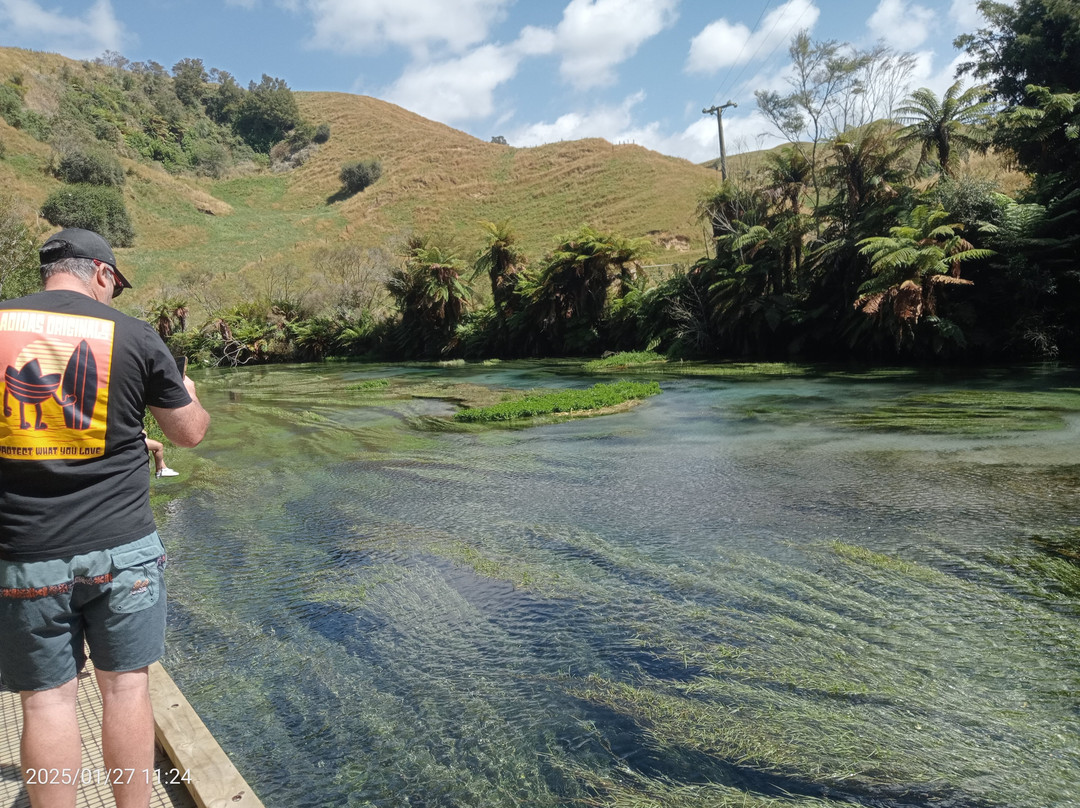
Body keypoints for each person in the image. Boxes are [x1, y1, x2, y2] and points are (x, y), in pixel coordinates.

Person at [0, 228, 210, 808]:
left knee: (45, 700)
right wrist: (187, 390)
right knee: (125, 690)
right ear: (101, 273)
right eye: (115, 283)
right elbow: (188, 433)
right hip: (124, 551)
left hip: (24, 551)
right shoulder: (135, 336)